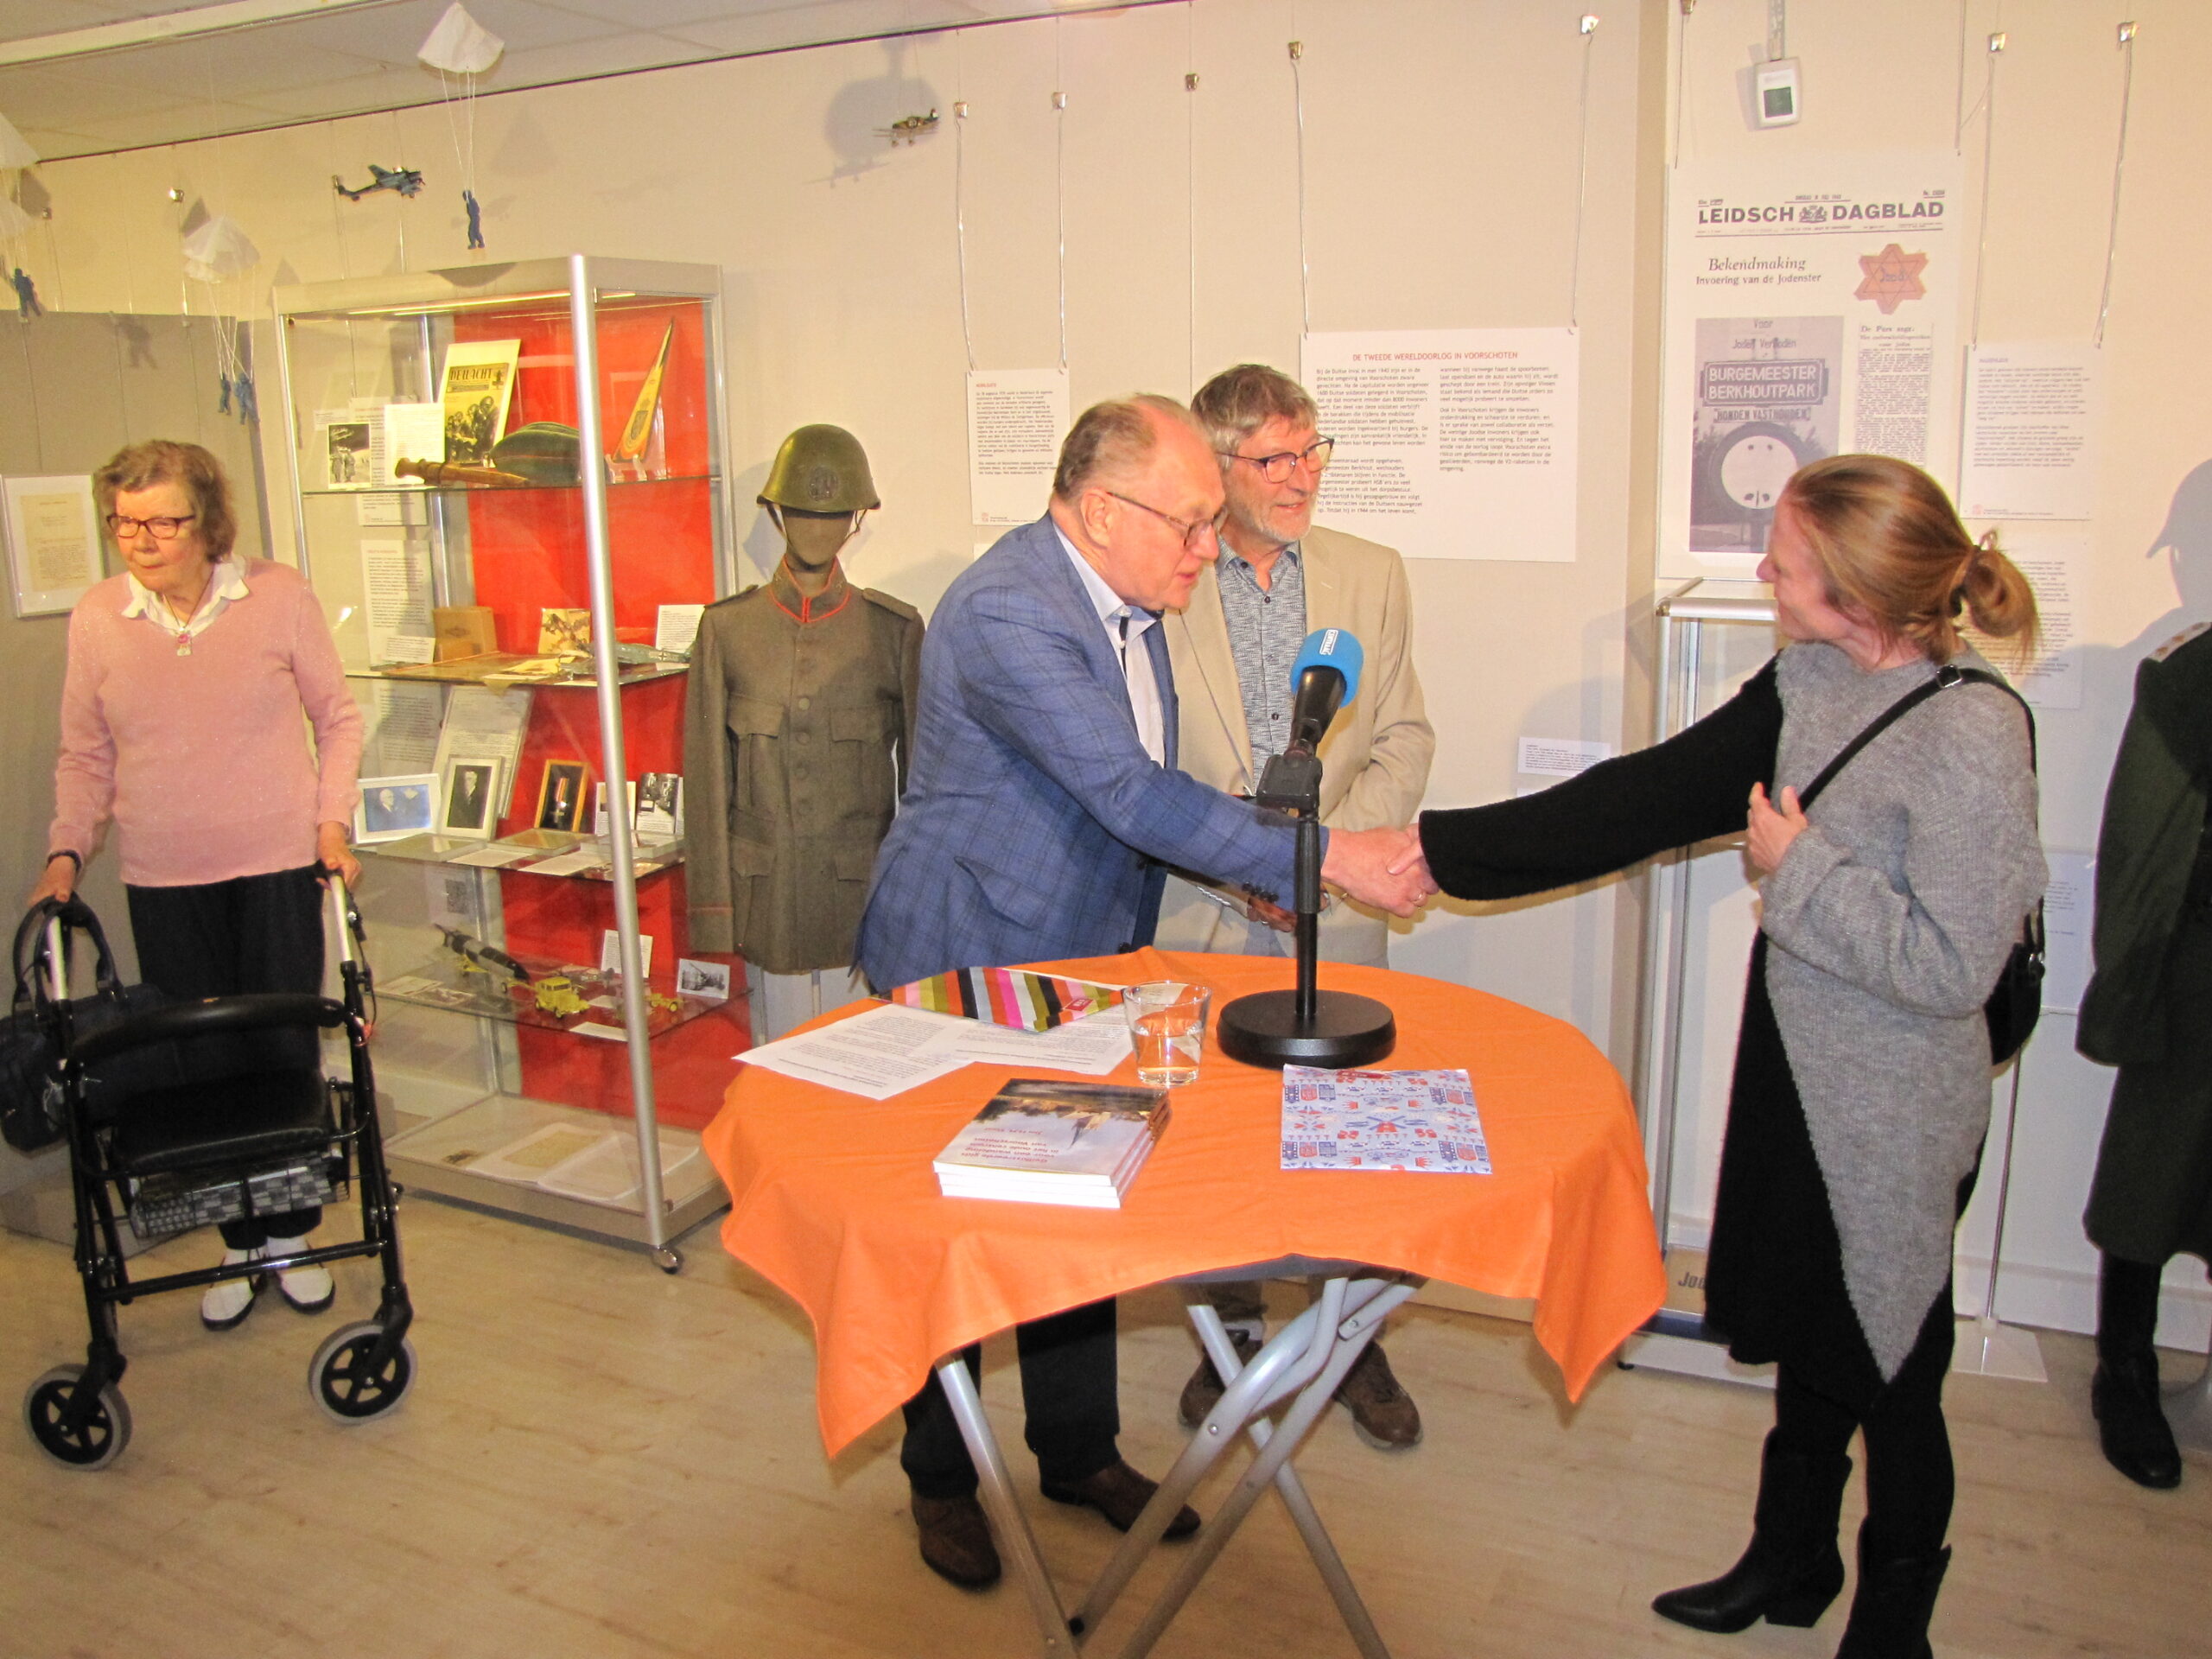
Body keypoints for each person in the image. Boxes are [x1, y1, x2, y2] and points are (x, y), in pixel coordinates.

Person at [1390, 455, 2043, 1658]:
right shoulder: (1810, 676)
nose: (1762, 575)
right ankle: (1789, 1558)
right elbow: (1642, 798)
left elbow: (1956, 967)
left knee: (1895, 1359)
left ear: (1854, 588)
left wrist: (1803, 871)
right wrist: (1433, 850)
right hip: (1798, 1066)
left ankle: (1894, 1620)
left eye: (1784, 563)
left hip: (1895, 1105)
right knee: (1811, 1318)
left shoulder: (1974, 734)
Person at [853, 394, 1426, 1591]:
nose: (1209, 549)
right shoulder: (1010, 608)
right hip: (969, 958)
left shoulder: (1133, 593)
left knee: (1076, 1212)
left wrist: (1257, 881)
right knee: (951, 1240)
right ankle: (941, 1479)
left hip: (1081, 958)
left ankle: (1075, 1456)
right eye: (1191, 523)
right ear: (1103, 509)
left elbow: (1135, 795)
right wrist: (1325, 858)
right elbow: (1127, 791)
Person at [1156, 363, 1434, 1448]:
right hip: (1206, 911)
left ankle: (1347, 1338)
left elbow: (1403, 736)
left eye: (1312, 452)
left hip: (1336, 914)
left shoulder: (1371, 574)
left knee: (1342, 1140)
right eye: (1274, 458)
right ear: (1216, 466)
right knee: (1219, 1137)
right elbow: (1144, 765)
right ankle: (1227, 1335)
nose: (1301, 477)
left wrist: (1321, 866)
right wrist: (1247, 869)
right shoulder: (1168, 576)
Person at [34, 440, 364, 1333]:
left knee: (281, 1050)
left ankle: (291, 1234)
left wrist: (330, 824)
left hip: (277, 864)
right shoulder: (99, 617)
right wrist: (66, 852)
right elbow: (85, 754)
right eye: (124, 522)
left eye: (163, 522)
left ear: (208, 521)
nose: (141, 540)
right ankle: (238, 1240)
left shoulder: (277, 596)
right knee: (202, 1068)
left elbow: (337, 719)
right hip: (165, 876)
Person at [685, 424, 921, 1044]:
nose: (817, 527)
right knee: (779, 1051)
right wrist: (714, 912)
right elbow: (708, 784)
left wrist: (916, 905)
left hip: (860, 901)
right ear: (777, 514)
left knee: (867, 1055)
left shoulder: (892, 631)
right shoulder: (728, 630)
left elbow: (924, 788)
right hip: (766, 903)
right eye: (801, 511)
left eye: (834, 513)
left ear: (856, 520)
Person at [2074, 619, 2212, 1491]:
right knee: (2153, 1174)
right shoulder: (2195, 673)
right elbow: (2141, 840)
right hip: (2199, 976)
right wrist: (2131, 989)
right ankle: (2124, 1366)